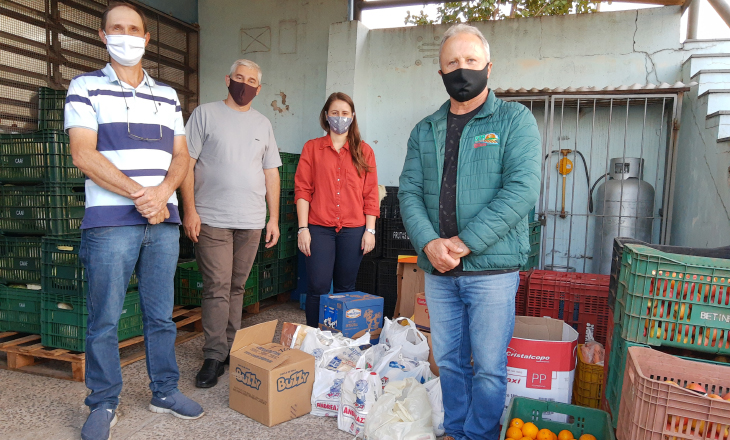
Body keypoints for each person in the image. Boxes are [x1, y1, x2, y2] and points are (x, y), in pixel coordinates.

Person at [65, 2, 204, 439]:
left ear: (146, 38)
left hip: (162, 222)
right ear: (103, 36)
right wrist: (142, 195)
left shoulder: (167, 95)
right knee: (104, 318)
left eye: (134, 29)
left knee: (161, 316)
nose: (126, 35)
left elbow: (181, 156)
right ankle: (103, 402)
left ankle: (164, 390)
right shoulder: (84, 87)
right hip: (111, 225)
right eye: (116, 28)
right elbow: (83, 153)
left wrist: (162, 194)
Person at [398, 24, 541, 440]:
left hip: (492, 272)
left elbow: (522, 190)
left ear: (489, 67)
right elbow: (408, 191)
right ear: (440, 73)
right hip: (440, 270)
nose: (462, 70)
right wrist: (429, 243)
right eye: (452, 63)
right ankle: (456, 430)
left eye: (471, 61)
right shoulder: (425, 130)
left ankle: (478, 436)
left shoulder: (514, 120)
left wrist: (462, 244)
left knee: (490, 368)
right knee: (449, 361)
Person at [181, 59, 281, 388]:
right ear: (227, 79)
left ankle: (228, 348)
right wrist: (190, 210)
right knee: (217, 287)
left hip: (251, 220)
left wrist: (274, 218)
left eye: (251, 80)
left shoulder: (263, 123)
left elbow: (271, 173)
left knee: (237, 287)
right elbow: (187, 163)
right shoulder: (205, 115)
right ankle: (212, 355)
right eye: (239, 78)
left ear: (259, 88)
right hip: (212, 218)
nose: (244, 84)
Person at [295, 92, 379, 328]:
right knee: (318, 287)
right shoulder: (312, 148)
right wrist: (303, 228)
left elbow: (371, 193)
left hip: (353, 229)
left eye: (344, 113)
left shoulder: (364, 151)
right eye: (334, 113)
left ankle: (341, 341)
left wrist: (370, 231)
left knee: (345, 288)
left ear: (352, 116)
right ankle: (314, 338)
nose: (339, 118)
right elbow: (303, 190)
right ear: (325, 116)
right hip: (319, 228)